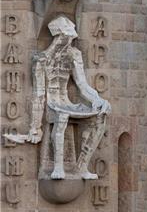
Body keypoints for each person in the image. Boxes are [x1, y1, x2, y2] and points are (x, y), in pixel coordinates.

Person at [5, 16, 111, 180]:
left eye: (71, 37)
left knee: (100, 116)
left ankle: (82, 166)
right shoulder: (41, 59)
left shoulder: (74, 54)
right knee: (62, 116)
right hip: (52, 104)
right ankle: (58, 167)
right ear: (59, 36)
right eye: (66, 36)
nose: (69, 39)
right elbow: (39, 94)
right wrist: (35, 126)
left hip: (67, 102)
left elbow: (82, 85)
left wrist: (98, 100)